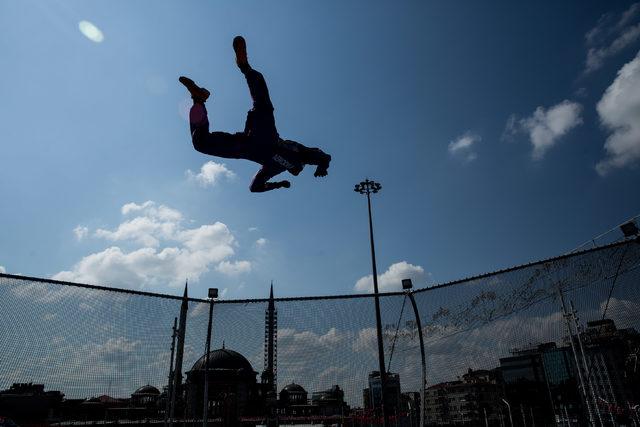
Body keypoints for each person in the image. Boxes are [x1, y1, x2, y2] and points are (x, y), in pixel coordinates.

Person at [179, 36, 331, 192]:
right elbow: (323, 157)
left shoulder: (274, 169)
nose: (295, 171)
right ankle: (245, 67)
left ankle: (198, 99)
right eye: (297, 170)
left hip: (244, 146)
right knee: (263, 105)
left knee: (201, 144)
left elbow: (255, 187)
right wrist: (323, 166)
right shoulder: (300, 155)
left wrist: (278, 185)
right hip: (267, 138)